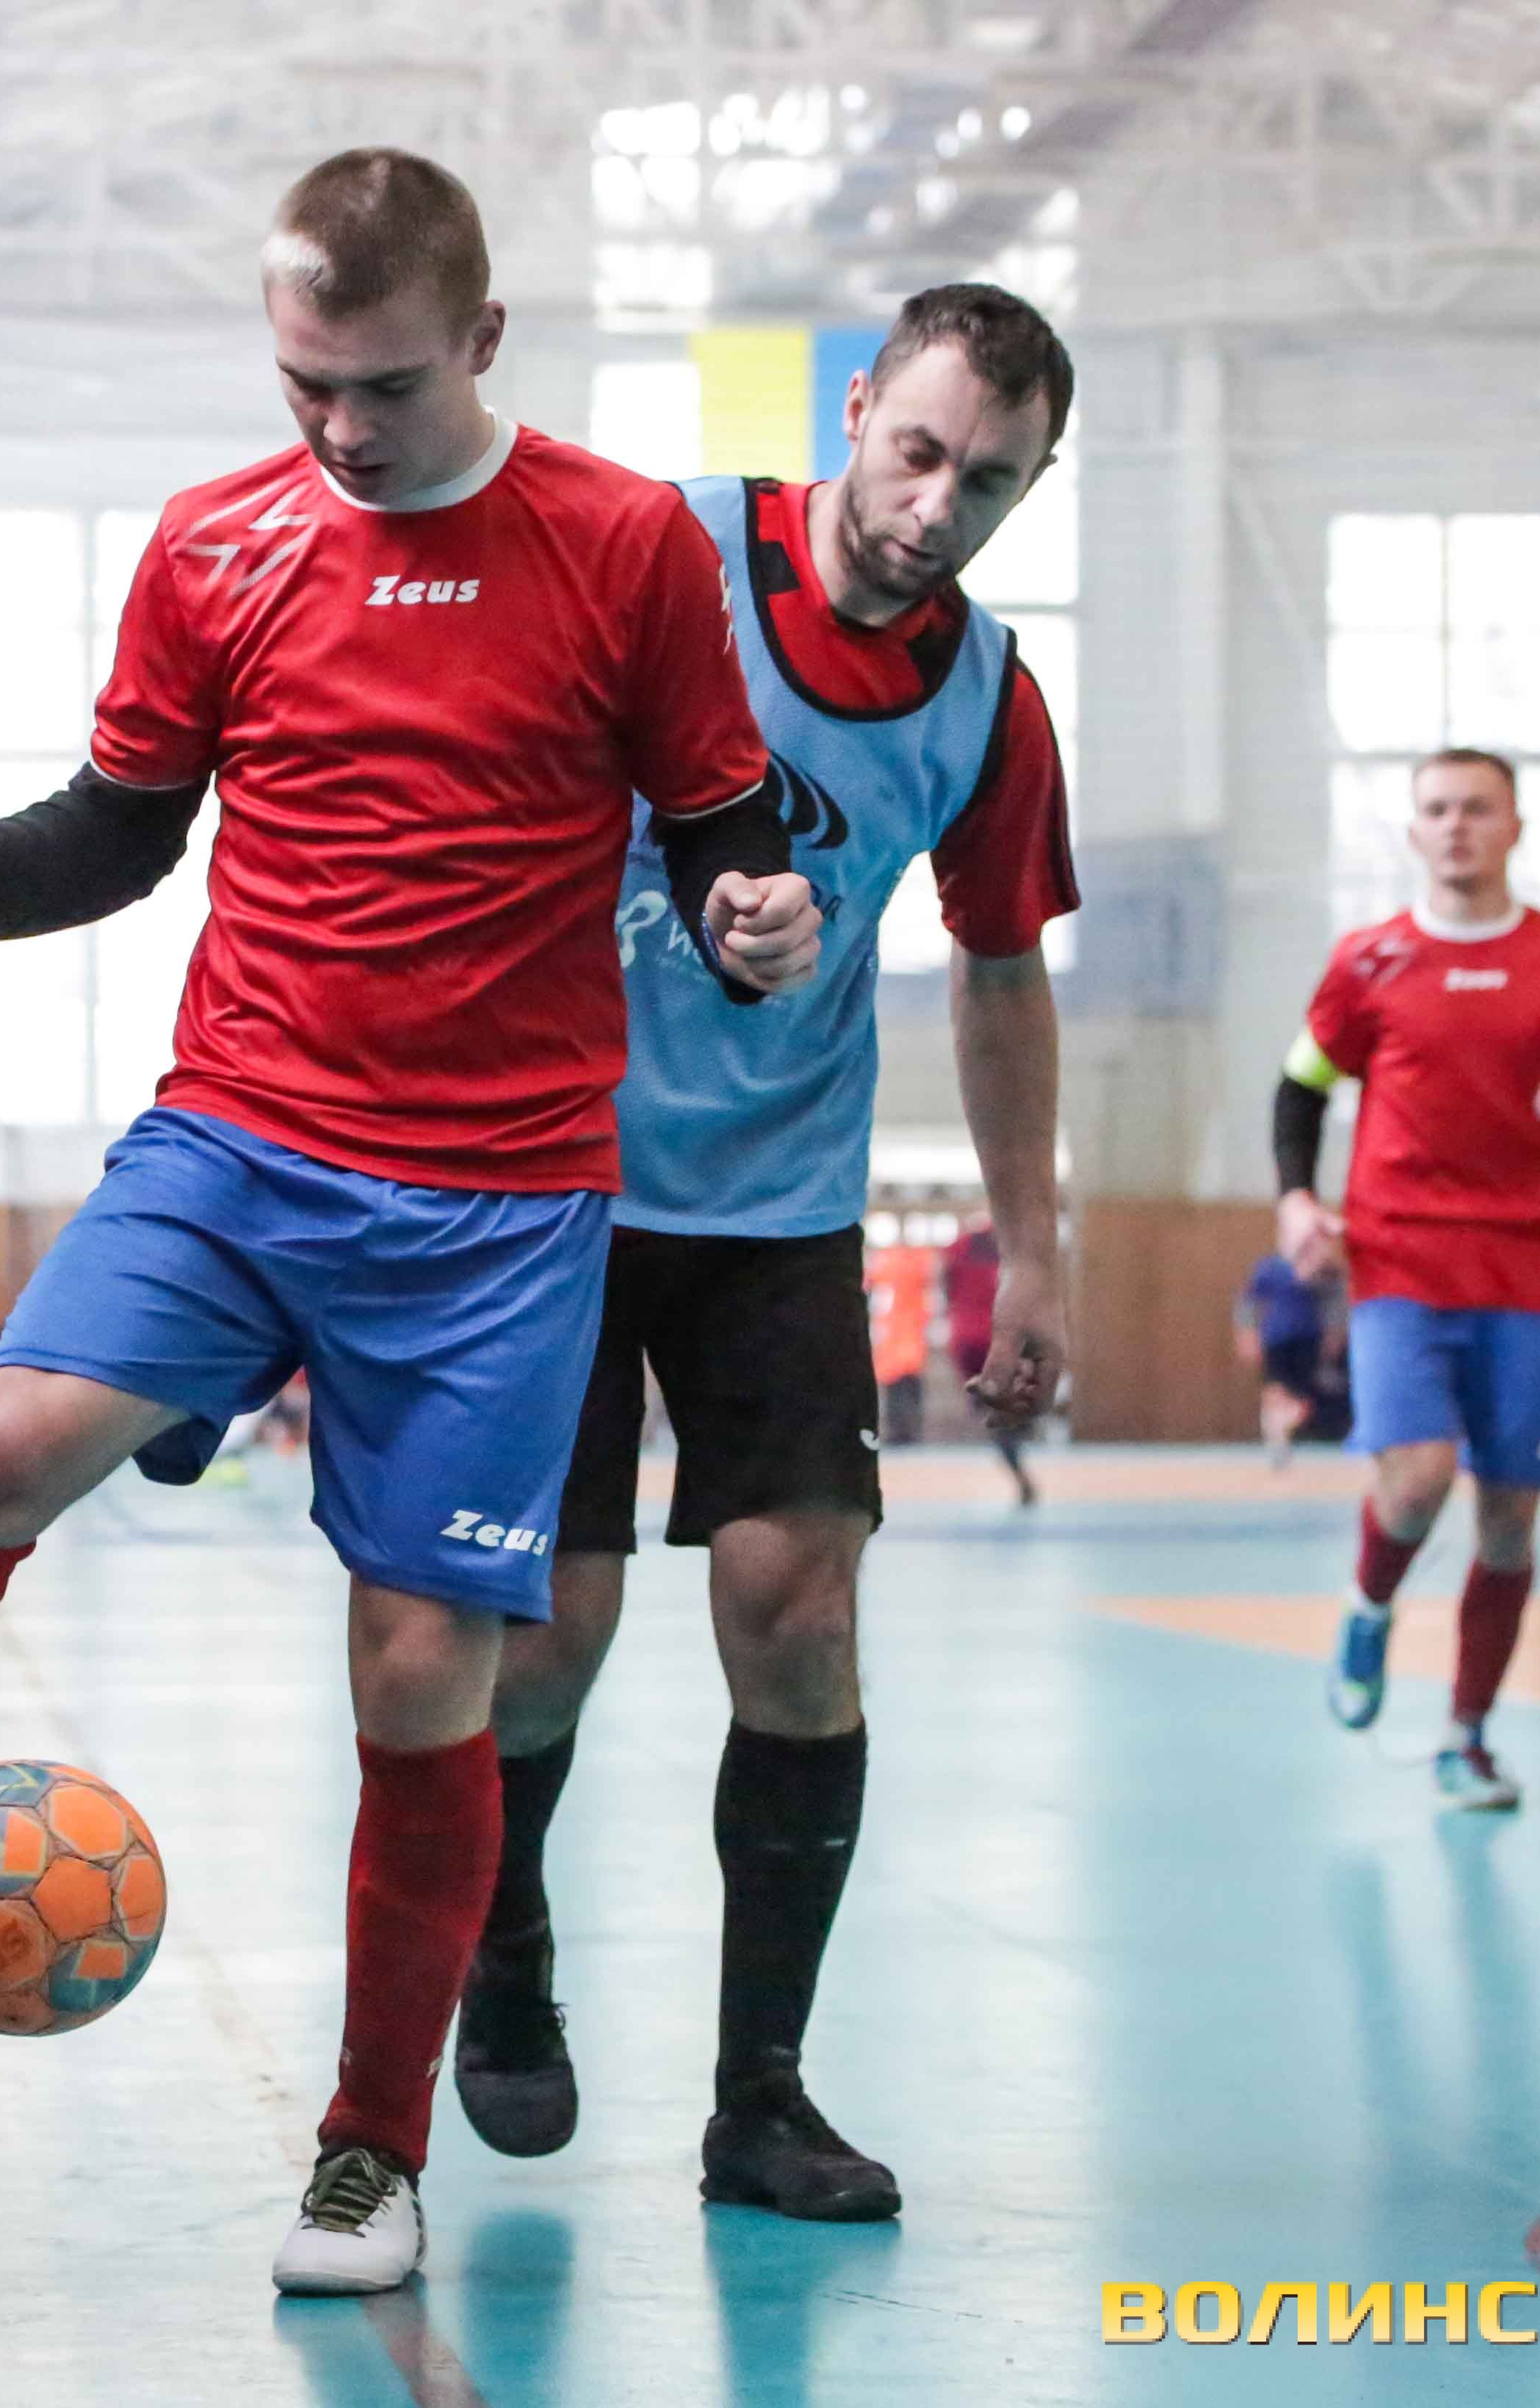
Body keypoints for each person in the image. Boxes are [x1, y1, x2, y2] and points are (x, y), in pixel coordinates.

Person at [0, 148, 824, 2299]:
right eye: (306, 381)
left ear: (482, 342)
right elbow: (121, 829)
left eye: (385, 386)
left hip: (497, 1203)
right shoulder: (217, 541)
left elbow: (719, 827)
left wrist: (750, 918)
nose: (342, 427)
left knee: (421, 1664)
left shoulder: (619, 546)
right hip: (239, 1137)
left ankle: (368, 2152)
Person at [449, 286, 1078, 2221]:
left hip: (777, 1202)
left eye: (989, 481)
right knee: (543, 1637)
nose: (936, 506)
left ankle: (762, 2097)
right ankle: (504, 1935)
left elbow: (999, 972)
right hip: (548, 1175)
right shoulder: (663, 553)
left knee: (799, 1615)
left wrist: (1031, 1246)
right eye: (918, 450)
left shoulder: (988, 700)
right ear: (858, 405)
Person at [1273, 747, 1540, 1811]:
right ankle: (1369, 1606)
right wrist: (1295, 1198)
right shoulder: (1368, 960)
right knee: (1415, 1478)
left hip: (1524, 1272)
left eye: (1476, 808)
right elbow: (1301, 1083)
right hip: (1398, 1258)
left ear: (1513, 827)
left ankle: (1466, 1737)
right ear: (1414, 831)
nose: (1456, 825)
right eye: (1437, 809)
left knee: (1509, 1520)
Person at [946, 1215, 1044, 1507]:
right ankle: (1014, 1434)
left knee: (993, 1410)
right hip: (996, 1342)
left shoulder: (960, 1248)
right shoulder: (1014, 1251)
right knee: (1003, 1410)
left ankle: (1011, 1434)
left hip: (968, 1341)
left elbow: (946, 1287)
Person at [1235, 1247, 1330, 1469]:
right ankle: (1277, 1442)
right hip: (1276, 1338)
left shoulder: (1319, 1266)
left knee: (1302, 1399)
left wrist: (1334, 1332)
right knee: (1275, 1391)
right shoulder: (1270, 1267)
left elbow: (1332, 1300)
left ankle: (1285, 1429)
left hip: (1308, 1339)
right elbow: (1248, 1300)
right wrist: (1246, 1332)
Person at [865, 1237, 938, 1445]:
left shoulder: (888, 1264)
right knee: (903, 1384)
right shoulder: (911, 1263)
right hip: (901, 1335)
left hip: (901, 1335)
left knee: (902, 1384)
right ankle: (906, 1430)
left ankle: (905, 1430)